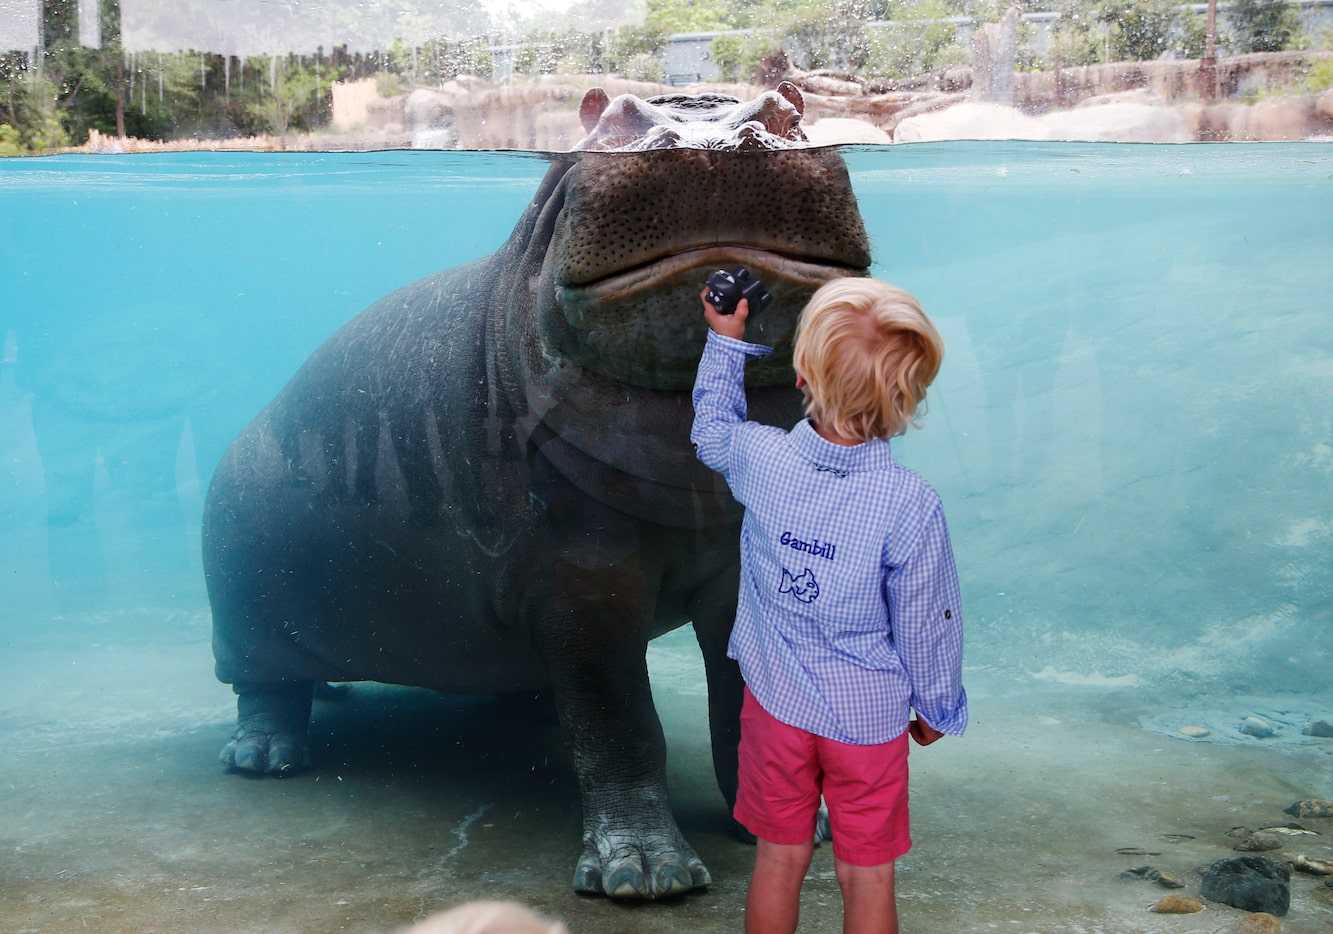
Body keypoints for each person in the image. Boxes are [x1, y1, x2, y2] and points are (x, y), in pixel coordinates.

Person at [690, 276, 967, 934]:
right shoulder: (910, 503)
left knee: (778, 861)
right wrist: (935, 707)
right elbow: (928, 623)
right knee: (865, 874)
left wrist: (724, 341)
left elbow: (710, 432)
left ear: (802, 372)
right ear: (909, 392)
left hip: (774, 708)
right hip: (867, 723)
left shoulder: (761, 459)